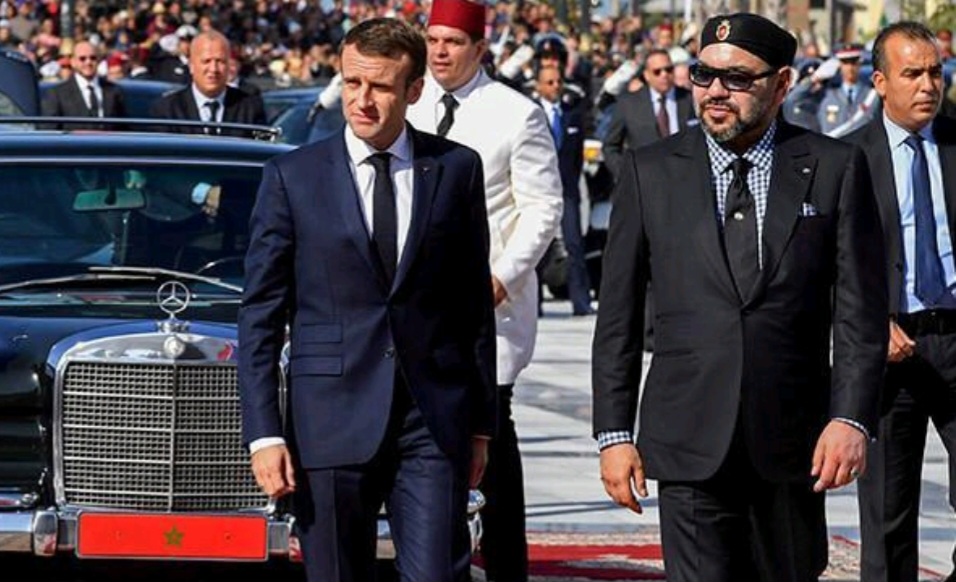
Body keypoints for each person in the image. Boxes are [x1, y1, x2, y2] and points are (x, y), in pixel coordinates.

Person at [591, 12, 888, 582]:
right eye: (704, 75)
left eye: (737, 79)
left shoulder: (833, 167)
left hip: (794, 444)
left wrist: (851, 418)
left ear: (782, 84)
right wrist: (613, 434)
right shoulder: (651, 171)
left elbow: (860, 314)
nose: (715, 92)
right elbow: (618, 317)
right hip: (686, 438)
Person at [238, 17, 496, 582]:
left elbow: (472, 305)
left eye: (380, 86)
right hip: (329, 417)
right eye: (352, 83)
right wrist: (264, 432)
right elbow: (261, 313)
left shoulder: (456, 169)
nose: (362, 100)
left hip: (431, 419)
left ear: (414, 90)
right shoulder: (292, 176)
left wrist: (481, 424)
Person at [406, 0, 563, 580]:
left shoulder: (515, 114)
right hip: (414, 302)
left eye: (452, 42)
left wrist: (502, 277)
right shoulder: (410, 101)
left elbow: (542, 208)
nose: (440, 52)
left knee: (489, 435)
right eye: (433, 40)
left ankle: (504, 564)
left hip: (485, 304)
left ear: (480, 49)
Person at [844, 21, 956, 582]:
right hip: (891, 348)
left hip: (955, 335)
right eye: (912, 73)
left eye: (935, 72)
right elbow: (828, 263)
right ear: (881, 82)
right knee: (888, 512)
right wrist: (869, 323)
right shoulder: (849, 158)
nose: (928, 85)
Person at [603, 46, 696, 352]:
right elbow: (610, 145)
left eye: (669, 69)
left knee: (678, 263)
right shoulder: (629, 104)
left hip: (684, 194)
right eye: (658, 71)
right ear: (646, 75)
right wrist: (627, 177)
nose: (665, 76)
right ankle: (646, 330)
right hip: (644, 195)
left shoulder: (688, 101)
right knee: (644, 262)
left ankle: (674, 326)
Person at [534, 63, 592, 316]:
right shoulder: (532, 114)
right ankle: (534, 303)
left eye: (558, 81)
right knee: (538, 246)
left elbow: (577, 156)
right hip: (539, 190)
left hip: (567, 190)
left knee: (574, 245)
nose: (556, 86)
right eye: (550, 82)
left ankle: (581, 301)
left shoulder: (572, 114)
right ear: (539, 86)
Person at [150, 30, 266, 135]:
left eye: (220, 61)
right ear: (191, 66)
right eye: (206, 61)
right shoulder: (167, 110)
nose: (213, 69)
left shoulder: (250, 108)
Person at [41, 40, 126, 129]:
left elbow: (124, 129)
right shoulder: (57, 94)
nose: (88, 62)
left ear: (99, 60)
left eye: (93, 58)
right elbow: (48, 130)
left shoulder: (114, 91)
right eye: (82, 58)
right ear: (73, 62)